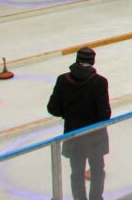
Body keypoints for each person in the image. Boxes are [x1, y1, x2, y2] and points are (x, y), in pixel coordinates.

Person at [47, 46, 110, 200]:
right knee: (97, 170)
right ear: (92, 61)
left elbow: (52, 108)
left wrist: (69, 115)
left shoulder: (63, 80)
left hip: (73, 134)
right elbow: (105, 114)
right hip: (95, 136)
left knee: (76, 173)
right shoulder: (100, 82)